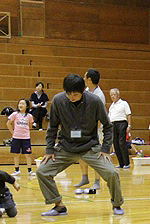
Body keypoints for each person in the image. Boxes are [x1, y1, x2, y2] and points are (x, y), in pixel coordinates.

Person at [36, 74, 125, 216]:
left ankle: (117, 204)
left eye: (75, 94)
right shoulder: (58, 101)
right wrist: (49, 149)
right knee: (42, 171)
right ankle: (58, 205)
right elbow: (52, 127)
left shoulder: (95, 101)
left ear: (83, 91)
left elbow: (108, 127)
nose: (71, 97)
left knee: (112, 173)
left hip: (90, 147)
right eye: (68, 94)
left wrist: (105, 149)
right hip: (65, 147)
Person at [75, 69, 106, 189]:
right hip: (84, 128)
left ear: (89, 79)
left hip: (95, 130)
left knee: (96, 155)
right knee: (81, 153)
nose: (83, 79)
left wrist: (95, 132)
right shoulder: (86, 91)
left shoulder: (99, 96)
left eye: (84, 77)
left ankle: (97, 181)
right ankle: (84, 177)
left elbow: (99, 117)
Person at [6, 99, 35, 176]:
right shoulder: (15, 114)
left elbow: (30, 126)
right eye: (19, 103)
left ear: (27, 106)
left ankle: (30, 170)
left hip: (26, 138)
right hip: (16, 138)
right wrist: (13, 133)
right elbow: (8, 123)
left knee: (28, 154)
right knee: (16, 154)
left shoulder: (29, 116)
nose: (20, 105)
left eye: (23, 104)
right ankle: (17, 170)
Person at [109, 88, 132, 169]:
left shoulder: (124, 103)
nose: (112, 96)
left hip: (122, 123)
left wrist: (129, 125)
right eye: (111, 95)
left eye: (114, 95)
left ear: (118, 95)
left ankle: (126, 163)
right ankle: (121, 163)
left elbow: (128, 114)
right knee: (115, 143)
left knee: (121, 143)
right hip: (113, 124)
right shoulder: (112, 106)